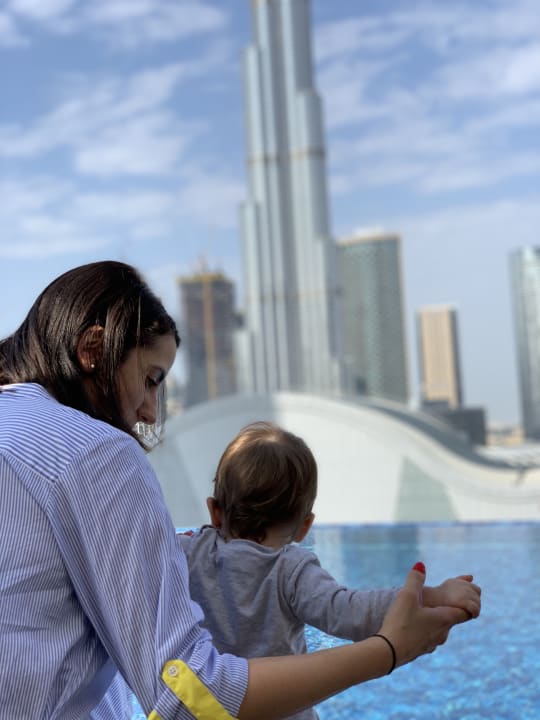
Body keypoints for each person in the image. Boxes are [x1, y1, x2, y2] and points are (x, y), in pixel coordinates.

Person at [0, 261, 477, 720]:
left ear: (215, 510)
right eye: (150, 380)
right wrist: (389, 649)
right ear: (92, 350)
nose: (149, 412)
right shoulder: (95, 452)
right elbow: (186, 696)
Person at [178, 422, 482, 719]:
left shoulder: (187, 554)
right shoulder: (290, 570)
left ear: (214, 511)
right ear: (305, 526)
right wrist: (433, 596)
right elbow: (351, 613)